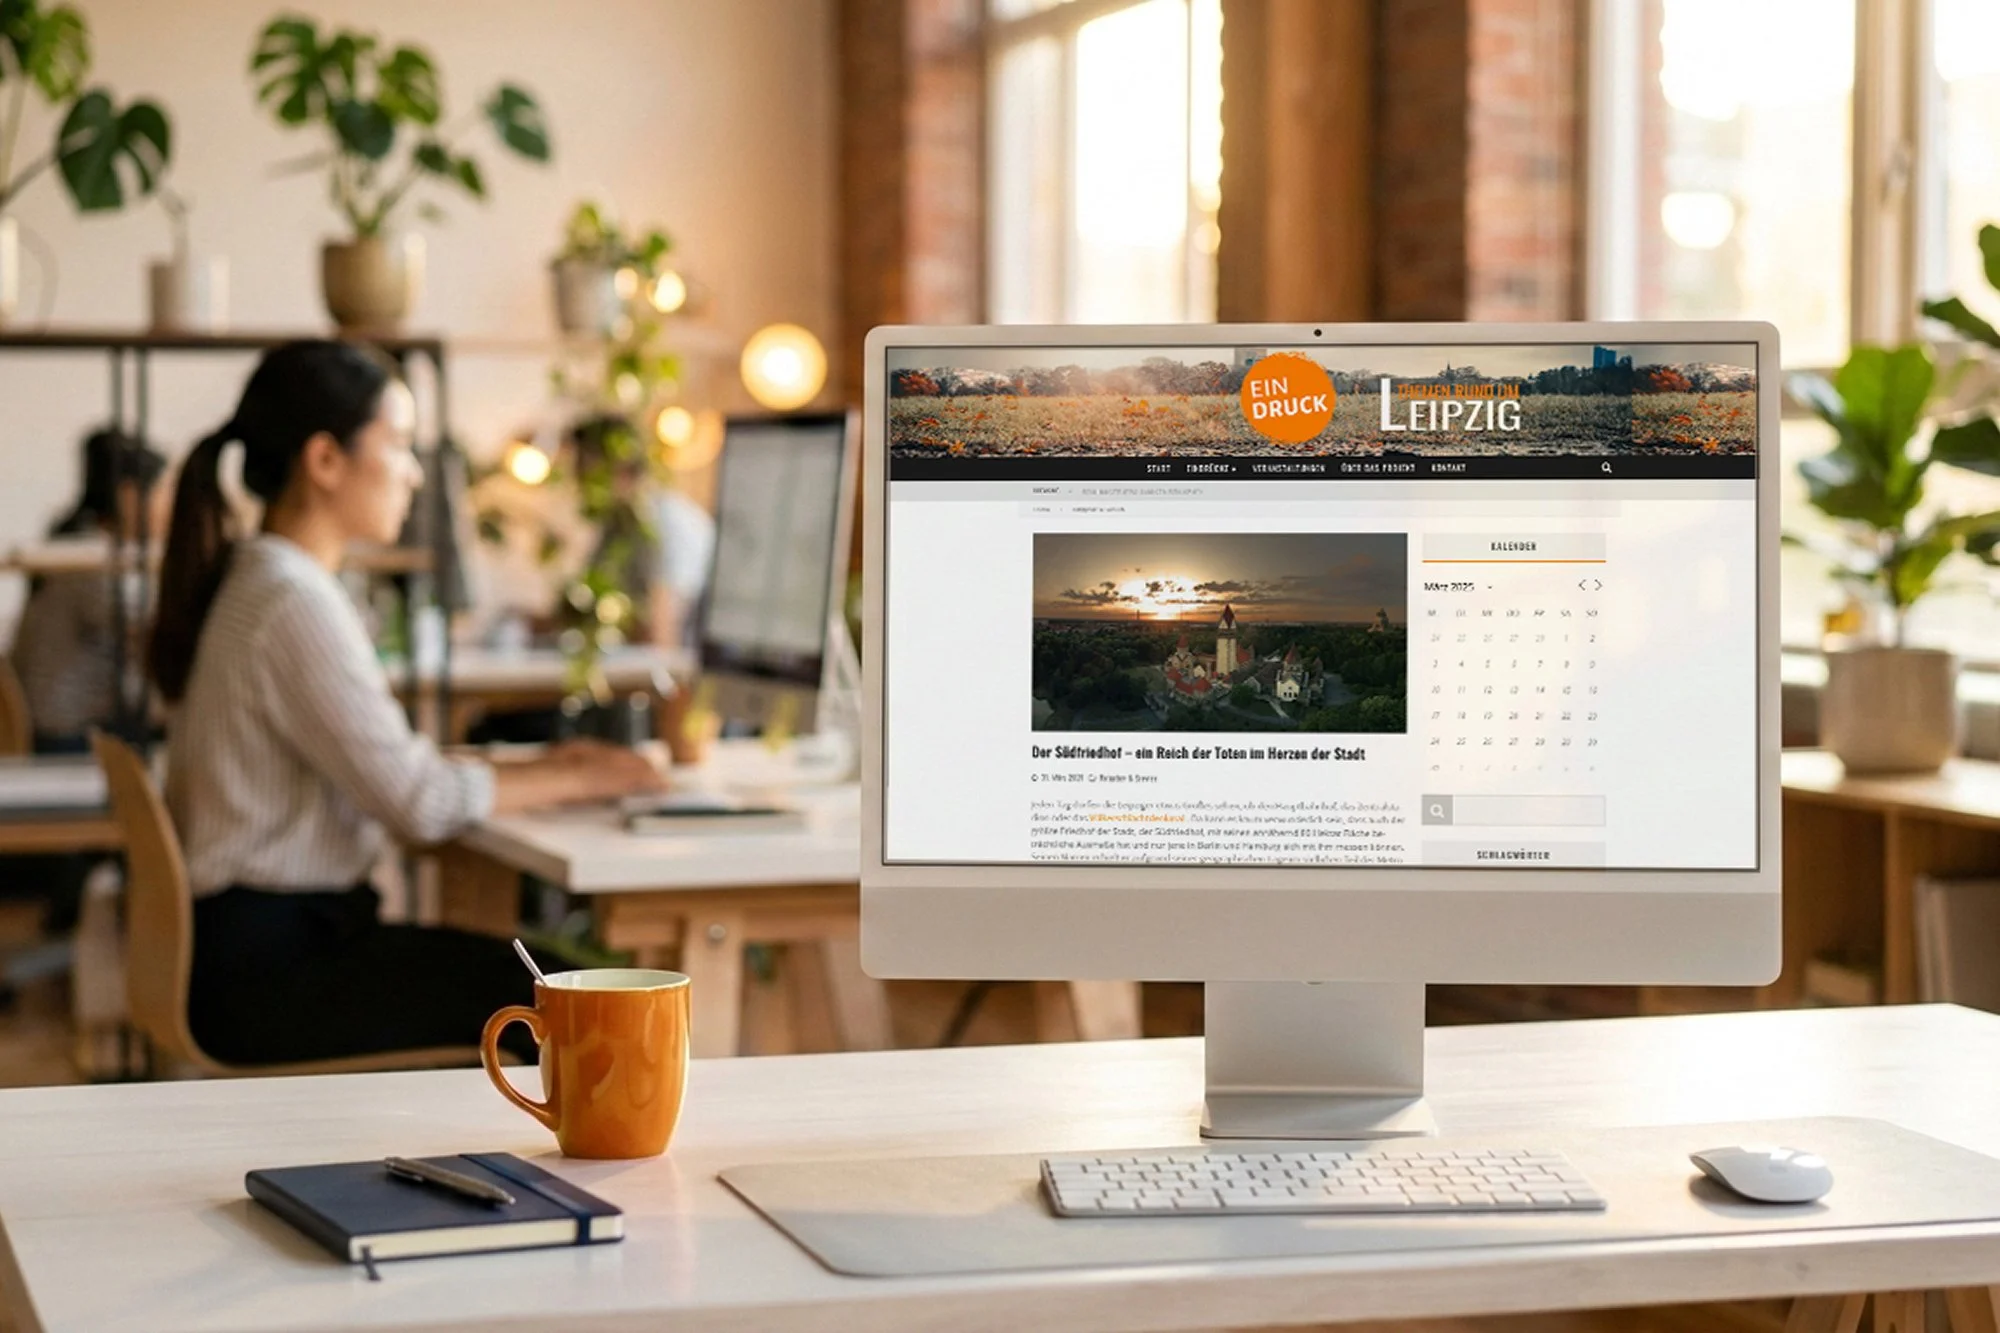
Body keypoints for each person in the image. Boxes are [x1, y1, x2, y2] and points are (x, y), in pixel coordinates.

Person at [150, 340, 663, 1066]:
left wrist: (548, 764)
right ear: (325, 460)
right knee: (566, 998)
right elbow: (418, 802)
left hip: (249, 952)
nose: (415, 472)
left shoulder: (262, 579)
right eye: (397, 445)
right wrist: (587, 774)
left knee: (533, 976)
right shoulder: (292, 600)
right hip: (269, 977)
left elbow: (394, 768)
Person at [9, 429, 168, 754]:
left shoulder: (72, 542)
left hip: (44, 724)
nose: (168, 505)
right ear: (128, 495)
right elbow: (152, 639)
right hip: (62, 735)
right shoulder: (92, 561)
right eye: (162, 492)